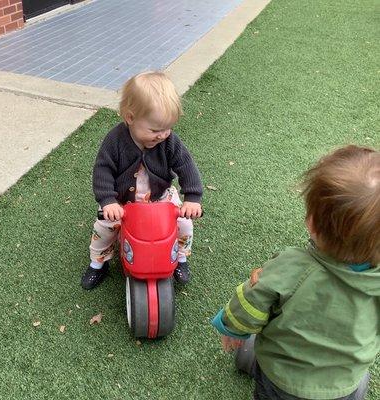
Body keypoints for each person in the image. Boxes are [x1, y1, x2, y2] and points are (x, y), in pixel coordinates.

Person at [211, 145, 380, 400]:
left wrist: (233, 329)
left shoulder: (293, 267)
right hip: (345, 382)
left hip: (284, 381)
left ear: (312, 222)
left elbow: (253, 301)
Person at [81, 71, 203, 290]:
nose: (163, 135)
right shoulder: (115, 141)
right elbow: (102, 170)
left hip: (160, 197)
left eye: (168, 128)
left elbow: (186, 165)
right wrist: (108, 201)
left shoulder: (169, 141)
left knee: (184, 224)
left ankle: (180, 258)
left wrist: (192, 197)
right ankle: (98, 263)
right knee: (104, 228)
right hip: (122, 202)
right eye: (155, 129)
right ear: (130, 118)